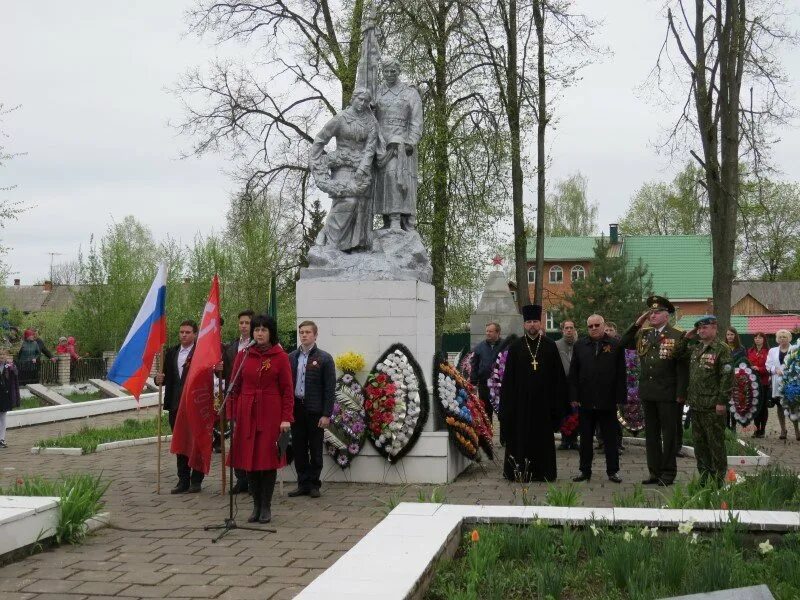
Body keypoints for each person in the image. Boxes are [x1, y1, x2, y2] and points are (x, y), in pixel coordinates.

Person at [227, 314, 293, 523]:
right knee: (250, 462)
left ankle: (266, 506)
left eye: (264, 329)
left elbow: (287, 391)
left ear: (271, 333)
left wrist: (286, 418)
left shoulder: (280, 357)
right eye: (257, 329)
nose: (260, 333)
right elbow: (234, 387)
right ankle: (255, 506)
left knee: (267, 461)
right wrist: (232, 413)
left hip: (271, 414)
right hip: (247, 414)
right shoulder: (244, 355)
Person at [620, 296, 691, 486]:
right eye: (650, 312)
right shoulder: (643, 334)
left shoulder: (678, 335)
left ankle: (668, 473)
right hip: (648, 392)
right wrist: (637, 324)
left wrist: (681, 393)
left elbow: (683, 367)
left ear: (666, 316)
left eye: (657, 312)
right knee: (651, 435)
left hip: (668, 393)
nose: (653, 315)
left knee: (668, 435)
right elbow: (623, 343)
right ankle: (654, 472)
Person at [500, 304, 567, 482]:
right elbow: (508, 380)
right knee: (520, 437)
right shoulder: (515, 347)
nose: (532, 325)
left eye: (535, 321)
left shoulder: (550, 346)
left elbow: (558, 378)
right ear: (524, 324)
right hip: (521, 403)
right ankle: (519, 472)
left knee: (542, 439)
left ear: (540, 323)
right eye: (529, 321)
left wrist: (558, 404)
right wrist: (507, 406)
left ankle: (544, 473)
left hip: (543, 404)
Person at [309, 88, 378, 251]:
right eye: (360, 99)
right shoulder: (341, 118)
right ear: (353, 99)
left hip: (362, 167)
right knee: (348, 201)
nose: (362, 104)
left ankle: (353, 246)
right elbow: (320, 139)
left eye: (366, 101)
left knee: (361, 206)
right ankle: (330, 238)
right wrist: (316, 162)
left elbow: (370, 148)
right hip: (342, 165)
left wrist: (363, 167)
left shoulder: (371, 122)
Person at [570, 314, 626, 484]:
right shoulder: (580, 345)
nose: (594, 328)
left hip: (607, 400)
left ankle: (613, 471)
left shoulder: (615, 345)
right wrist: (574, 396)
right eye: (590, 326)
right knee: (585, 439)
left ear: (603, 325)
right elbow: (574, 373)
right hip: (586, 401)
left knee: (610, 439)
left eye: (597, 325)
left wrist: (620, 398)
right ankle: (585, 471)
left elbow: (621, 373)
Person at [155, 320, 204, 494]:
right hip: (176, 405)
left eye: (188, 332)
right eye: (181, 332)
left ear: (195, 334)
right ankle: (183, 479)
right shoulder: (171, 352)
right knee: (180, 443)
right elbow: (166, 377)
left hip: (195, 405)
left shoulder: (201, 352)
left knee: (196, 443)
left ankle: (196, 480)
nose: (184, 335)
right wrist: (158, 379)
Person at [374, 57, 423, 231]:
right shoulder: (377, 92)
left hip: (401, 143)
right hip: (380, 142)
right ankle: (387, 220)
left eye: (393, 71)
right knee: (380, 181)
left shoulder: (410, 93)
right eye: (386, 71)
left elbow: (416, 121)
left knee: (394, 176)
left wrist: (411, 141)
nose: (389, 74)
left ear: (398, 71)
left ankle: (396, 219)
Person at [288, 321, 336, 498]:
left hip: (315, 411)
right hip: (296, 409)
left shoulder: (324, 358)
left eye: (308, 332)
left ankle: (314, 484)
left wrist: (326, 414)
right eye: (301, 332)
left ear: (315, 335)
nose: (304, 335)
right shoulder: (291, 357)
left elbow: (329, 388)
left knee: (315, 449)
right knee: (299, 449)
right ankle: (303, 483)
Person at [686, 316, 733, 484]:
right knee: (699, 445)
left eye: (704, 328)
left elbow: (726, 377)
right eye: (698, 328)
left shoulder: (721, 349)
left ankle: (719, 478)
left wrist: (722, 401)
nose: (700, 331)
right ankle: (704, 477)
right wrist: (687, 337)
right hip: (696, 404)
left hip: (713, 406)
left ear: (714, 328)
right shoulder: (697, 348)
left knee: (716, 444)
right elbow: (677, 352)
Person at [222, 309, 255, 494]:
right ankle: (240, 479)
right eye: (241, 322)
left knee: (250, 441)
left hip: (252, 399)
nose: (243, 326)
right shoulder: (231, 347)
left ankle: (252, 480)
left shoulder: (257, 346)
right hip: (234, 399)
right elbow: (226, 373)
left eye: (247, 323)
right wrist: (217, 369)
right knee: (236, 441)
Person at [767, 329, 800, 441]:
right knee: (780, 407)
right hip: (777, 382)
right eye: (780, 337)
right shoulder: (772, 351)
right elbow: (768, 364)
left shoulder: (795, 349)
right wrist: (775, 370)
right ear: (777, 339)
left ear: (789, 338)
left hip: (792, 382)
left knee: (793, 406)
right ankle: (783, 430)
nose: (782, 339)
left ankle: (797, 430)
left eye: (785, 337)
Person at [469, 322, 503, 422]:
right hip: (484, 386)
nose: (488, 333)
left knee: (503, 415)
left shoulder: (506, 346)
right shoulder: (479, 347)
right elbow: (474, 366)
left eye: (490, 331)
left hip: (501, 387)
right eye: (487, 331)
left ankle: (505, 438)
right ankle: (487, 437)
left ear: (498, 333)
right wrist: (473, 383)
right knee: (486, 415)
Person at [555, 320, 579, 450]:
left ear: (574, 330)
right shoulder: (556, 345)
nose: (569, 330)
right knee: (564, 412)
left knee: (575, 412)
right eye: (566, 328)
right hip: (562, 384)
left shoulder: (580, 345)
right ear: (562, 330)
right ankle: (565, 440)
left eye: (571, 328)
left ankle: (574, 439)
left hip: (576, 384)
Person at [747, 332, 771, 438]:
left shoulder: (768, 352)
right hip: (753, 383)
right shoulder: (750, 351)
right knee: (755, 407)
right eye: (756, 337)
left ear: (764, 339)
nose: (757, 339)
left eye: (760, 337)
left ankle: (762, 430)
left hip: (764, 383)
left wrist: (759, 369)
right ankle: (756, 429)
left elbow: (770, 367)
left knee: (763, 407)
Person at [0, 348, 20, 448]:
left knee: (3, 416)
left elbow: (16, 373)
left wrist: (12, 367)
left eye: (3, 355)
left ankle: (2, 439)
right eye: (0, 355)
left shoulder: (9, 366)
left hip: (5, 395)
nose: (2, 357)